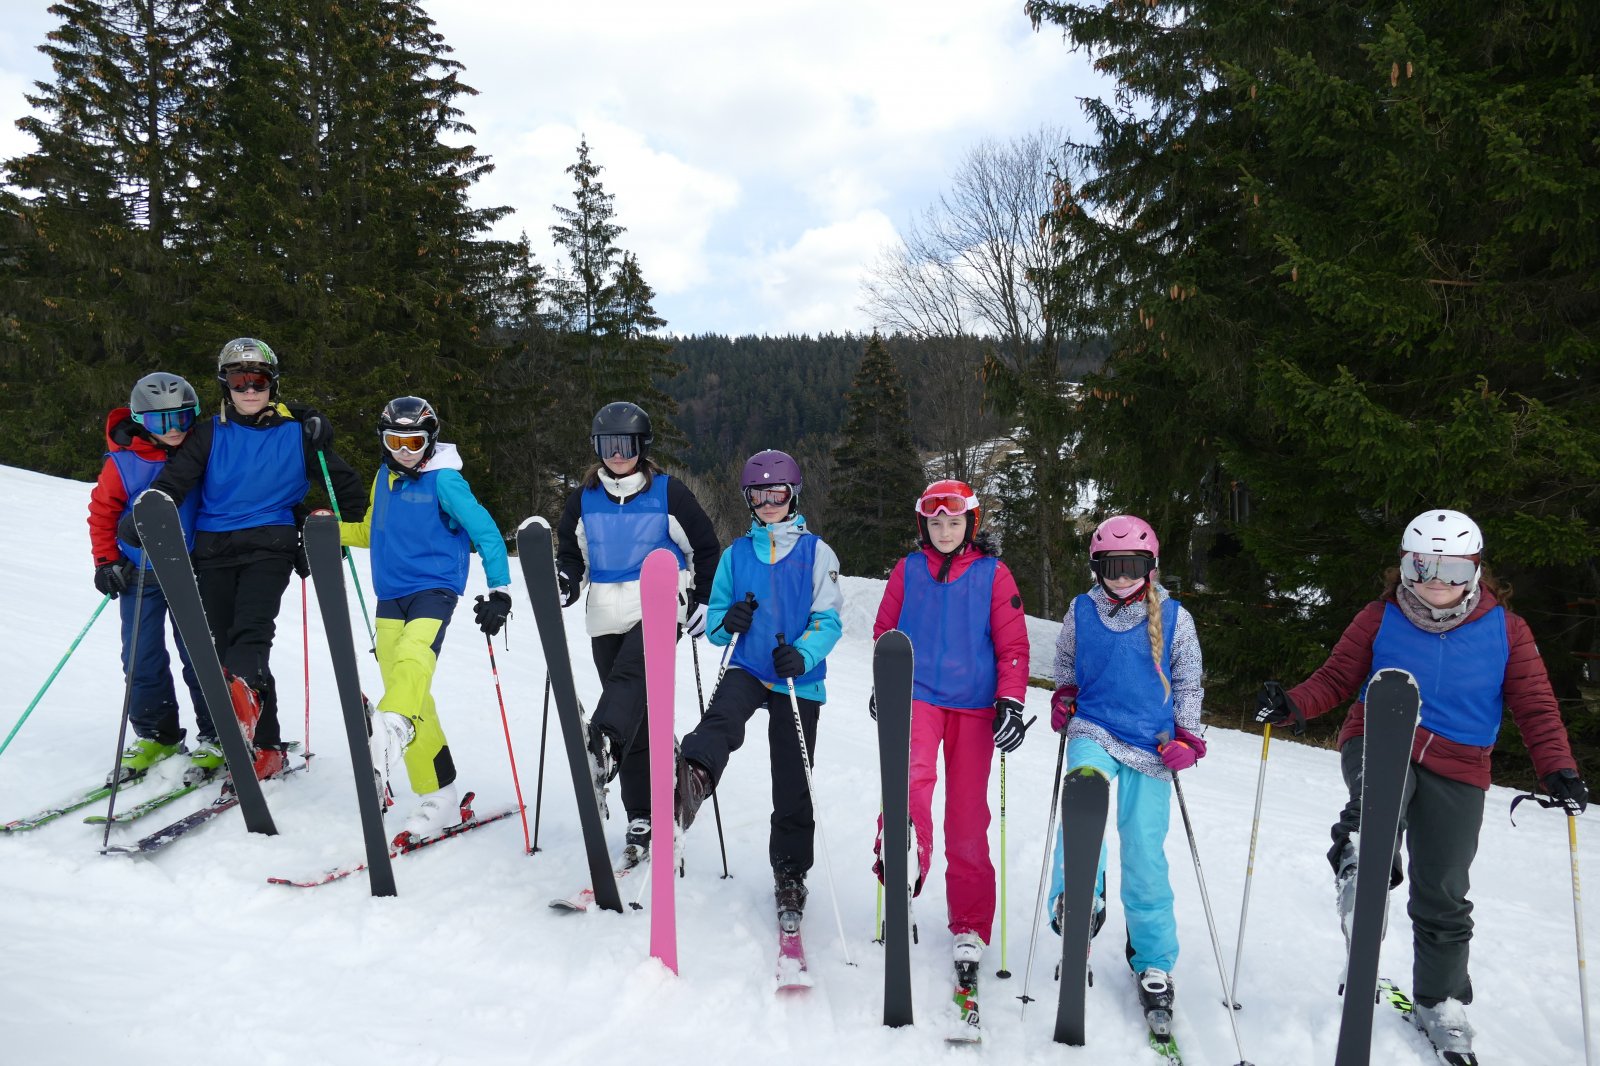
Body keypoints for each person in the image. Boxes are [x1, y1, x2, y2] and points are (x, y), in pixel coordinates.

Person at [1255, 508, 1585, 1059]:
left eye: (1452, 569)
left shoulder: (1507, 630)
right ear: (1404, 567)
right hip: (1382, 734)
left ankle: (1441, 1001)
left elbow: (1535, 705)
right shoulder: (1380, 617)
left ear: (1475, 571)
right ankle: (1362, 862)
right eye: (1422, 566)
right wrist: (1291, 705)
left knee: (1445, 889)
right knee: (1380, 799)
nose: (1436, 581)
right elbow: (1336, 677)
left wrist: (1558, 768)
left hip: (1461, 762)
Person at [118, 338, 366, 780]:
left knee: (252, 633)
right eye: (239, 381)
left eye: (259, 380)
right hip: (213, 550)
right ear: (225, 385)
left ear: (273, 384)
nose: (250, 390)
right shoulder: (209, 433)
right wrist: (147, 514)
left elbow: (344, 485)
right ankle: (260, 737)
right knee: (219, 648)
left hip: (271, 545)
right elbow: (175, 480)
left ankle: (256, 731)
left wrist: (332, 539)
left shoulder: (299, 433)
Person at [672, 450, 844, 932]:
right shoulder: (736, 555)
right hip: (748, 664)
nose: (768, 503)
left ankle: (790, 874)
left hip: (796, 675)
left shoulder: (817, 553)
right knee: (721, 717)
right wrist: (729, 621)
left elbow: (829, 618)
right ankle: (693, 777)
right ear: (748, 499)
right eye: (758, 495)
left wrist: (804, 654)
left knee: (792, 778)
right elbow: (716, 625)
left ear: (793, 495)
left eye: (776, 493)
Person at [1046, 514, 1205, 1029]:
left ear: (1150, 566)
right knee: (1082, 807)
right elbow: (1065, 661)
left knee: (1143, 848)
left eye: (1132, 566)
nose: (1121, 577)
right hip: (1093, 729)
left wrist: (1188, 737)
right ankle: (1078, 903)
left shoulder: (1175, 617)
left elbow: (1188, 681)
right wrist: (1064, 695)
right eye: (1111, 566)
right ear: (1096, 567)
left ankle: (1154, 958)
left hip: (1153, 744)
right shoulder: (1081, 610)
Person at [869, 479, 1030, 977]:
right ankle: (905, 855)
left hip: (975, 707)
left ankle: (970, 923)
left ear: (970, 524)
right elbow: (885, 630)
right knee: (911, 779)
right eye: (935, 523)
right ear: (924, 525)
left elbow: (1013, 646)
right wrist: (885, 680)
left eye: (954, 522)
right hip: (917, 696)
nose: (944, 531)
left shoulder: (993, 574)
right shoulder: (908, 570)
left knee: (966, 817)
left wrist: (1010, 702)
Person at [332, 396, 512, 842]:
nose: (404, 451)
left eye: (413, 442)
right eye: (395, 441)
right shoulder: (383, 477)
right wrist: (325, 531)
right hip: (391, 595)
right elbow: (370, 530)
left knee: (415, 657)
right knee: (409, 689)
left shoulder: (445, 480)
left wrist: (500, 589)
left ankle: (392, 726)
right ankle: (439, 794)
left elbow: (485, 530)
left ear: (430, 440)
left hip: (434, 589)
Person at [555, 401, 719, 865]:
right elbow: (572, 554)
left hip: (660, 602)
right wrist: (566, 581)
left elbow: (705, 547)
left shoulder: (669, 492)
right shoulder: (584, 498)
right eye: (608, 445)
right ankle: (642, 812)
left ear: (642, 447)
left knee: (628, 683)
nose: (617, 455)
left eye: (626, 445)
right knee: (636, 713)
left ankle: (601, 742)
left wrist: (705, 598)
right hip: (605, 613)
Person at [87, 372, 209, 782]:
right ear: (140, 420)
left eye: (181, 418)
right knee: (141, 656)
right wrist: (106, 561)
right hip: (141, 573)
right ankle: (158, 735)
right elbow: (103, 513)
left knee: (201, 656)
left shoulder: (203, 451)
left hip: (194, 571)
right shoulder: (123, 463)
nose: (173, 429)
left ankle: (218, 733)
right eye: (160, 421)